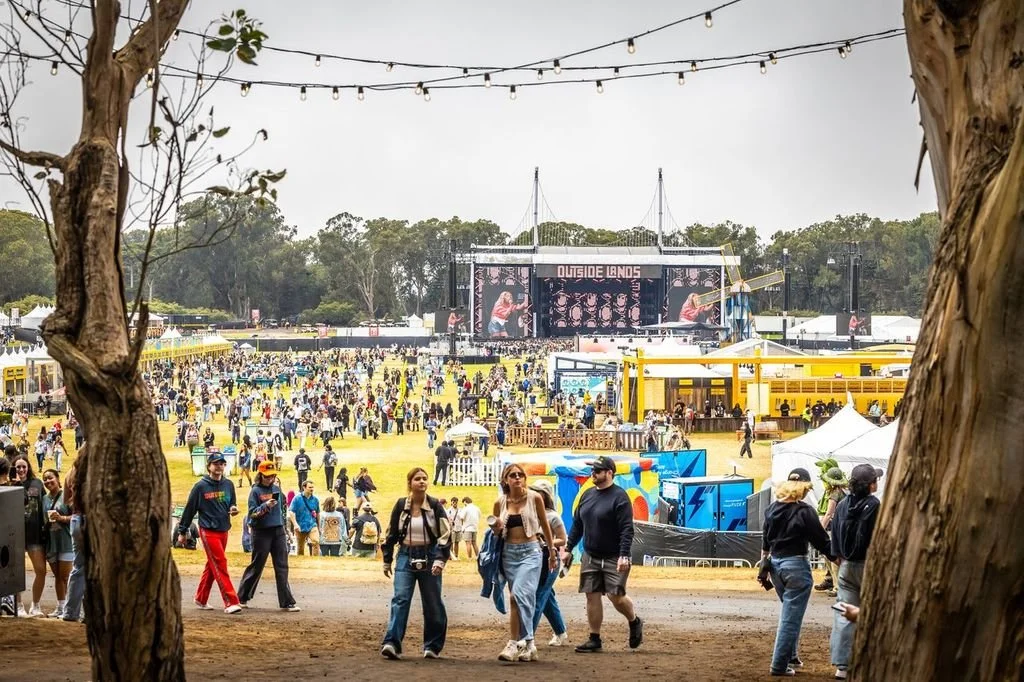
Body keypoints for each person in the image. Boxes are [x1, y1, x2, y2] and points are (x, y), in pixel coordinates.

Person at [758, 467, 836, 677]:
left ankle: (791, 655)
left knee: (789, 612)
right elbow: (821, 541)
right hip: (796, 567)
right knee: (790, 618)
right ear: (802, 489)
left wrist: (763, 565)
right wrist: (838, 559)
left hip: (776, 567)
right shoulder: (805, 512)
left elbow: (765, 541)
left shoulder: (771, 509)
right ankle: (779, 665)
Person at [563, 455, 643, 653]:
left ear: (609, 473)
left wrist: (624, 555)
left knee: (616, 596)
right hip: (590, 555)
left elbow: (627, 529)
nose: (593, 474)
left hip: (614, 556)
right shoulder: (587, 495)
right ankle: (594, 638)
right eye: (593, 471)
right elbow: (577, 524)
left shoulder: (620, 497)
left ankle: (634, 621)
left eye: (597, 471)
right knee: (592, 595)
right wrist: (568, 548)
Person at [379, 467, 451, 660]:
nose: (422, 482)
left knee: (432, 601)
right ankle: (391, 643)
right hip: (405, 554)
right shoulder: (401, 505)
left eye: (424, 478)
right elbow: (391, 533)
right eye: (417, 479)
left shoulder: (435, 505)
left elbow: (445, 533)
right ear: (410, 483)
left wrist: (440, 559)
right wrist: (387, 560)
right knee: (401, 598)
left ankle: (432, 646)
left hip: (430, 554)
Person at [491, 463, 557, 662]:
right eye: (513, 475)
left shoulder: (534, 498)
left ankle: (515, 643)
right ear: (506, 480)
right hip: (509, 554)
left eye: (520, 474)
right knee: (515, 599)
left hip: (531, 552)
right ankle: (528, 644)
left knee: (519, 594)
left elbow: (545, 525)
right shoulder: (500, 502)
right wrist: (497, 528)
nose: (517, 477)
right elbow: (496, 533)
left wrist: (552, 552)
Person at [829, 464, 882, 680]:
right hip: (869, 565)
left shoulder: (842, 504)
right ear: (871, 485)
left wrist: (838, 556)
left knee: (844, 613)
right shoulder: (874, 504)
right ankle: (872, 659)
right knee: (873, 611)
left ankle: (842, 665)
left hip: (847, 565)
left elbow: (834, 532)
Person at [178, 452, 242, 613]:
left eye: (222, 463)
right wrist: (182, 531)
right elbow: (189, 510)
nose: (219, 466)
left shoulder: (228, 484)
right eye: (216, 464)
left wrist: (233, 508)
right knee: (220, 563)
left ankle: (201, 597)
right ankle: (231, 601)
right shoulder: (200, 487)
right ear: (209, 466)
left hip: (223, 529)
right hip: (208, 530)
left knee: (213, 563)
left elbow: (232, 503)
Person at [237, 461, 300, 611]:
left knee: (282, 566)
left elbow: (282, 511)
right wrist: (265, 506)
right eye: (267, 476)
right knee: (257, 565)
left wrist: (285, 529)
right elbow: (252, 513)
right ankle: (242, 597)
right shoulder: (255, 491)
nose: (270, 479)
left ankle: (286, 601)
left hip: (278, 530)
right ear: (260, 475)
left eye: (272, 476)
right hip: (261, 532)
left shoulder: (277, 489)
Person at [529, 479, 569, 647]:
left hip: (549, 560)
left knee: (538, 596)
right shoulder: (529, 513)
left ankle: (526, 637)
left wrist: (546, 543)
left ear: (545, 495)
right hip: (532, 559)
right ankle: (560, 632)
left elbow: (563, 539)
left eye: (537, 492)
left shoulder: (553, 516)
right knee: (547, 597)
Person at [13, 455, 47, 617]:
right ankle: (19, 606)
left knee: (41, 570)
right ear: (13, 469)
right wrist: (14, 484)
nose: (21, 470)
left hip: (35, 533)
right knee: (16, 572)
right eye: (18, 467)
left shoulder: (37, 483)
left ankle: (35, 605)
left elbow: (44, 504)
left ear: (28, 467)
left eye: (23, 466)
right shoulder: (9, 485)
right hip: (15, 535)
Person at [41, 469, 73, 618]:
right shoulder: (44, 499)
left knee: (65, 577)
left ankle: (70, 608)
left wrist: (62, 518)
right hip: (51, 542)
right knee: (58, 577)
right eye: (45, 479)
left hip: (66, 541)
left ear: (58, 478)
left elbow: (77, 516)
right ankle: (60, 607)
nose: (48, 481)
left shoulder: (67, 496)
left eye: (50, 478)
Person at [61, 459, 86, 623]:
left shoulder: (70, 473)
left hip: (75, 519)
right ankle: (90, 612)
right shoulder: (93, 471)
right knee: (94, 567)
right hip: (90, 518)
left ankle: (70, 612)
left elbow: (65, 500)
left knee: (78, 567)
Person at [289, 479, 321, 556]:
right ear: (304, 487)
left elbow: (318, 513)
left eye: (312, 487)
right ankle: (301, 561)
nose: (312, 489)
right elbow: (291, 512)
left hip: (312, 525)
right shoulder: (297, 498)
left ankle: (315, 560)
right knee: (300, 548)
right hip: (300, 526)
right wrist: (295, 524)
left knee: (316, 541)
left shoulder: (315, 500)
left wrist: (319, 526)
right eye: (310, 487)